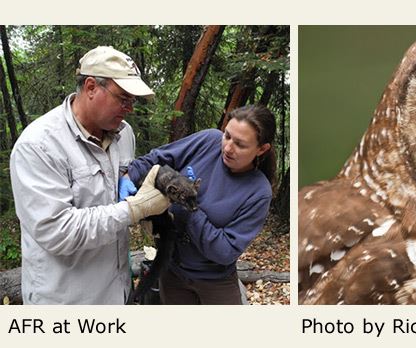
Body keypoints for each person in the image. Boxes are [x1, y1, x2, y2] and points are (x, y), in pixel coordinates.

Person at [10, 46, 170, 304]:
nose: (129, 108)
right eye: (123, 98)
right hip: (66, 302)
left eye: (133, 101)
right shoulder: (39, 146)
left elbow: (117, 191)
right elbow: (57, 231)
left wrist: (148, 212)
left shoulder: (123, 134)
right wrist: (133, 210)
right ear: (91, 86)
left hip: (118, 291)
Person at [124, 105, 275, 305]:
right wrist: (128, 176)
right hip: (172, 270)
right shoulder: (208, 141)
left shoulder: (258, 191)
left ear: (261, 149)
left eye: (240, 144)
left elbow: (224, 251)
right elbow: (157, 158)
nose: (228, 147)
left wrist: (187, 209)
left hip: (215, 280)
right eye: (227, 136)